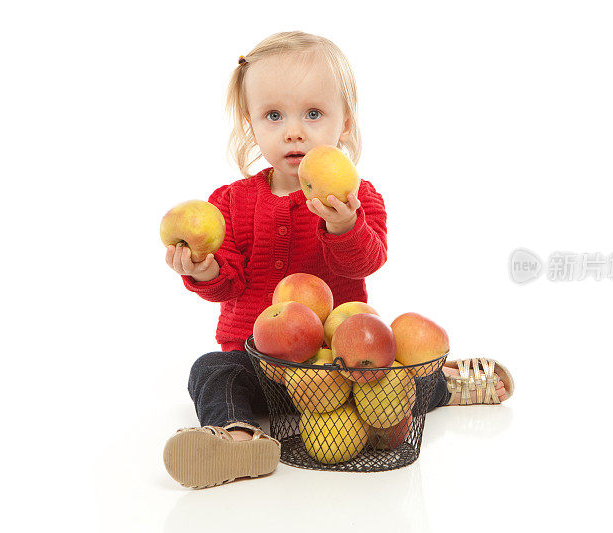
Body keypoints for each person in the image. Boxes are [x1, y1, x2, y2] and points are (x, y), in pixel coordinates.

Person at [161, 31, 513, 490]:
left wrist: (344, 225)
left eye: (313, 114)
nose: (293, 130)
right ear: (251, 125)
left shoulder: (356, 196)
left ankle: (443, 384)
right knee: (210, 370)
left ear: (344, 124)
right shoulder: (229, 202)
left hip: (338, 364)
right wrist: (202, 268)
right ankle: (237, 438)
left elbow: (364, 262)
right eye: (273, 115)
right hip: (259, 365)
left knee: (389, 387)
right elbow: (227, 283)